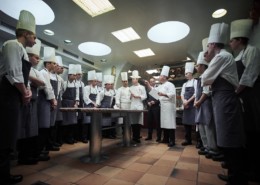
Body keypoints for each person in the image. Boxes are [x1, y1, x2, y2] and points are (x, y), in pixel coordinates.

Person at [201, 22, 247, 185]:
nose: (207, 51)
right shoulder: (224, 56)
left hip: (226, 100)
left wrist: (207, 63)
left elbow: (205, 79)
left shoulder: (221, 56)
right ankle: (234, 174)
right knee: (227, 138)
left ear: (213, 44)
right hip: (222, 100)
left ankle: (237, 179)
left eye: (208, 47)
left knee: (231, 139)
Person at [0, 10, 35, 184]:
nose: (35, 41)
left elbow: (22, 76)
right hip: (7, 95)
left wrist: (25, 91)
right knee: (5, 134)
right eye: (34, 37)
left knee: (10, 133)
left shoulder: (21, 49)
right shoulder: (12, 45)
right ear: (26, 34)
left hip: (15, 95)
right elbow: (13, 73)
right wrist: (24, 92)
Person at [229, 19, 260, 182]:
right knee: (245, 134)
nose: (230, 42)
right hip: (240, 98)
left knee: (253, 131)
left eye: (232, 40)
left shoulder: (252, 50)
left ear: (240, 40)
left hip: (251, 97)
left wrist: (235, 92)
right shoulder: (237, 56)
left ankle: (255, 171)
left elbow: (249, 76)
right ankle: (247, 167)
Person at [194, 50, 219, 157]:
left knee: (208, 127)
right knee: (201, 126)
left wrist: (199, 102)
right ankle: (206, 147)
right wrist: (196, 101)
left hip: (206, 104)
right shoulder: (199, 78)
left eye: (198, 65)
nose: (196, 67)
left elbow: (206, 91)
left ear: (203, 66)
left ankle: (213, 149)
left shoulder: (207, 75)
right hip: (200, 104)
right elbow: (197, 92)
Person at [38, 47, 58, 153]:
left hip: (49, 101)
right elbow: (47, 88)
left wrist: (53, 100)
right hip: (44, 101)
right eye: (54, 64)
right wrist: (53, 100)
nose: (55, 66)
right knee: (44, 125)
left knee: (48, 125)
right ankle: (41, 150)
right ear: (48, 63)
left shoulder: (48, 74)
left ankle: (45, 147)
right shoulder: (44, 73)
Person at [155, 66, 176, 147]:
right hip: (163, 106)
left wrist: (163, 94)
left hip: (169, 105)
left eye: (160, 76)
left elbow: (172, 94)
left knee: (170, 123)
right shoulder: (160, 86)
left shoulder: (170, 84)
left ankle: (172, 140)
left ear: (164, 77)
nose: (159, 77)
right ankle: (166, 138)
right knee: (164, 123)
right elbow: (154, 94)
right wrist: (148, 85)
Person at [61, 64, 79, 144]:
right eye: (73, 75)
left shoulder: (76, 84)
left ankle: (70, 137)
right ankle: (64, 138)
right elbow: (61, 94)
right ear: (69, 75)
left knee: (73, 123)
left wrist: (76, 103)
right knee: (65, 122)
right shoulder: (65, 83)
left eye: (76, 75)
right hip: (65, 104)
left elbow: (77, 96)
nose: (75, 77)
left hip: (73, 104)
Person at [181, 62, 197, 146]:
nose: (186, 75)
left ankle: (198, 141)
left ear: (191, 73)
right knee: (186, 123)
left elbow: (196, 94)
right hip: (186, 105)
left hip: (193, 105)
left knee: (195, 123)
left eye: (187, 73)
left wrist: (188, 101)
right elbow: (182, 94)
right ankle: (188, 140)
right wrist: (184, 101)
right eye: (185, 74)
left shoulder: (195, 82)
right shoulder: (185, 84)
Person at [129, 70, 147, 143]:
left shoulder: (142, 87)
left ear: (137, 79)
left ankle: (137, 136)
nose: (133, 80)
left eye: (134, 79)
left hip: (139, 105)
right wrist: (130, 96)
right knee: (133, 122)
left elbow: (144, 96)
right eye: (132, 79)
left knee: (138, 122)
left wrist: (138, 96)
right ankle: (134, 137)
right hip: (132, 105)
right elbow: (128, 98)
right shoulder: (130, 88)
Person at [144, 77, 161, 142]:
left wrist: (154, 102)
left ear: (155, 82)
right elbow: (146, 98)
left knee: (157, 123)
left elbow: (160, 99)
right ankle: (149, 136)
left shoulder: (158, 88)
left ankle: (158, 137)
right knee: (149, 122)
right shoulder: (147, 89)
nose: (152, 82)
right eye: (150, 82)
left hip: (156, 107)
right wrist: (148, 102)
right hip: (150, 108)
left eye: (153, 81)